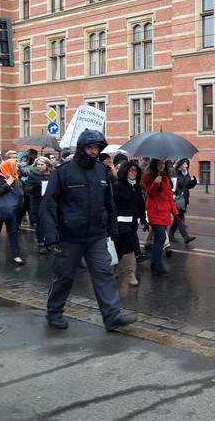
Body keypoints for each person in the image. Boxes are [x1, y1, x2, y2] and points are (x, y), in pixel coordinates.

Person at [40, 129, 136, 332]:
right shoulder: (63, 171)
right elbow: (49, 203)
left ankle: (112, 316)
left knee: (104, 274)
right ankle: (54, 312)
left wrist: (112, 228)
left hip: (96, 235)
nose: (93, 151)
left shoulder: (101, 171)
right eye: (90, 147)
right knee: (64, 276)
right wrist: (50, 235)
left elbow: (108, 202)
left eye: (97, 148)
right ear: (82, 148)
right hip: (69, 236)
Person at [113, 161, 148, 287]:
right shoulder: (117, 185)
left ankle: (113, 268)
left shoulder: (137, 186)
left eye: (135, 171)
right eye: (131, 170)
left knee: (120, 248)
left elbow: (140, 204)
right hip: (120, 220)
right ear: (125, 171)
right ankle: (131, 274)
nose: (134, 173)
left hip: (132, 221)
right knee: (129, 244)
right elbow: (112, 205)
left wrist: (144, 219)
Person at [143, 159, 178, 275]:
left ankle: (154, 263)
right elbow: (150, 193)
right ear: (154, 164)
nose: (162, 166)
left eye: (163, 164)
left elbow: (169, 196)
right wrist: (154, 183)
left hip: (164, 212)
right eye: (159, 163)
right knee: (162, 237)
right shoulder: (148, 176)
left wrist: (175, 212)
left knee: (159, 239)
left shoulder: (166, 178)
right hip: (154, 211)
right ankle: (157, 264)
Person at [26, 156, 53, 254]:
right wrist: (37, 186)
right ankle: (41, 243)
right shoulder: (33, 175)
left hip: (49, 202)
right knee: (40, 224)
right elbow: (27, 190)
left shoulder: (52, 174)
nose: (40, 166)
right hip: (37, 203)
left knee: (49, 224)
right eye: (38, 164)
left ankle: (48, 241)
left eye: (42, 164)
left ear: (47, 165)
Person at [169, 158, 197, 245]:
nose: (186, 166)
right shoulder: (175, 174)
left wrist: (193, 182)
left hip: (184, 199)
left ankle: (170, 235)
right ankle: (186, 237)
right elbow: (172, 187)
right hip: (177, 199)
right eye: (185, 164)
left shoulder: (186, 173)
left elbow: (188, 186)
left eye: (187, 164)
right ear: (180, 165)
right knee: (179, 218)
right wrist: (174, 193)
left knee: (178, 219)